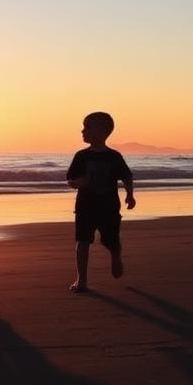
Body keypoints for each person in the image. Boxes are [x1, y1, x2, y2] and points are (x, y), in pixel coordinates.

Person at [66, 111, 136, 293]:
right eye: (83, 127)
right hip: (85, 206)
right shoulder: (81, 156)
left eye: (87, 127)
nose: (83, 131)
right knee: (82, 241)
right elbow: (70, 179)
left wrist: (130, 194)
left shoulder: (114, 156)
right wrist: (76, 183)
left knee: (109, 240)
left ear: (103, 131)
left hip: (109, 206)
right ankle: (81, 279)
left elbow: (127, 176)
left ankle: (115, 255)